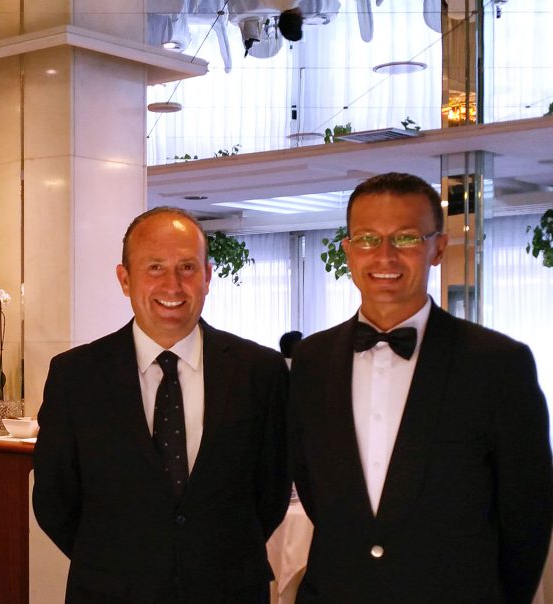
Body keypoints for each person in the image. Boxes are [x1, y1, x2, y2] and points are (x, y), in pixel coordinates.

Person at [288, 172, 553, 604]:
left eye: (406, 238)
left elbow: (527, 516)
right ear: (349, 251)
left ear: (438, 248)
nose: (385, 256)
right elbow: (313, 487)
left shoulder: (498, 363)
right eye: (368, 239)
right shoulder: (311, 361)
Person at [33, 207, 290, 603]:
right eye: (154, 268)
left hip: (228, 590)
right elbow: (54, 499)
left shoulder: (260, 371)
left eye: (187, 267)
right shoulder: (76, 376)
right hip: (110, 592)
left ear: (208, 276)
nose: (173, 285)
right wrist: (116, 564)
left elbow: (271, 492)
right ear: (125, 279)